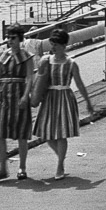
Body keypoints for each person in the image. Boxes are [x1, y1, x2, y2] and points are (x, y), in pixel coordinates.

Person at [32, 28, 94, 180]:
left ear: (64, 45)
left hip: (64, 97)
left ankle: (60, 165)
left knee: (61, 134)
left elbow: (79, 84)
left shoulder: (71, 63)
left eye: (56, 45)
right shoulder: (46, 60)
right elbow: (38, 80)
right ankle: (61, 157)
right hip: (49, 98)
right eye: (52, 44)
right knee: (46, 133)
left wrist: (88, 102)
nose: (53, 48)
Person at [0, 24, 34, 182]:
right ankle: (3, 168)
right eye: (8, 38)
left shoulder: (27, 56)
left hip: (19, 94)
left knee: (21, 132)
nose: (10, 41)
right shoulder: (3, 56)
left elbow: (29, 78)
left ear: (20, 38)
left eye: (13, 38)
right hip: (4, 97)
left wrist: (26, 96)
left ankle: (22, 167)